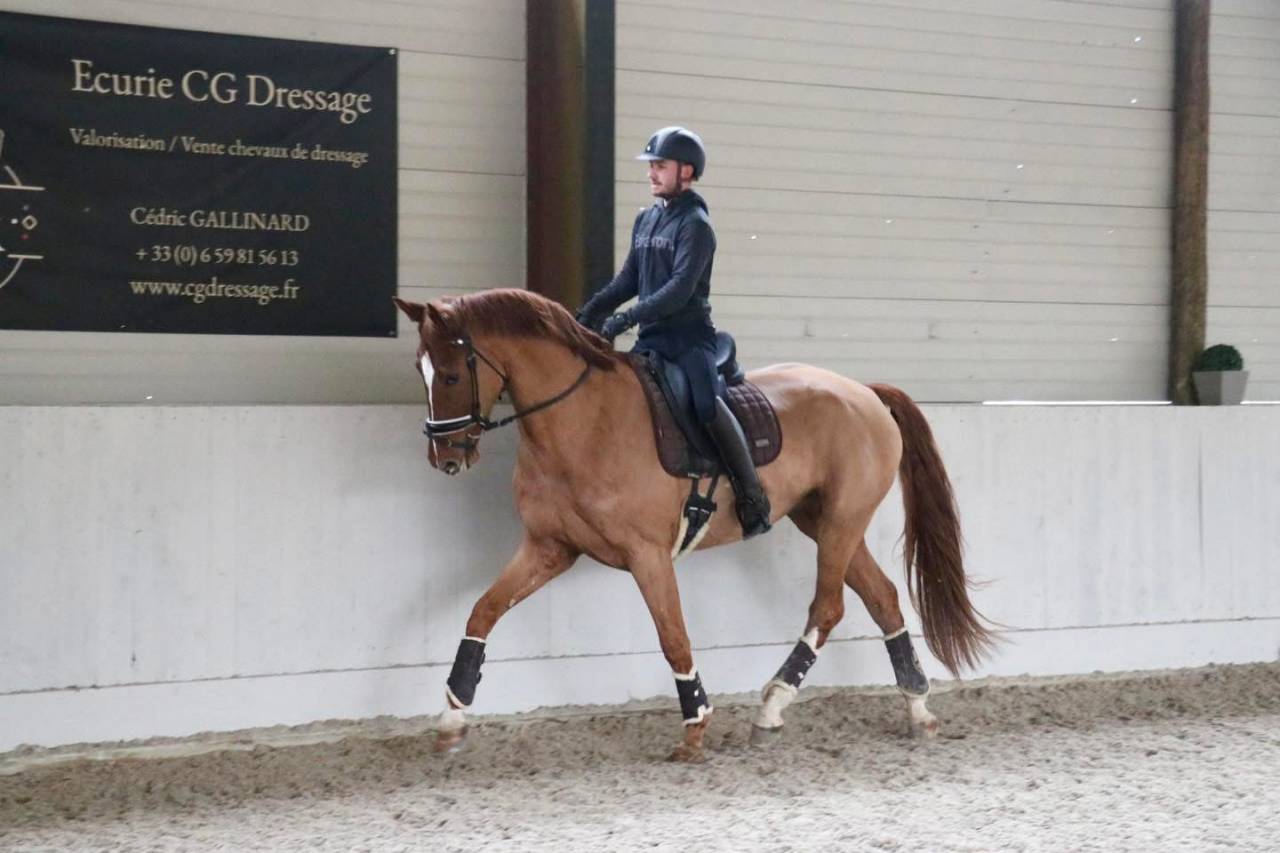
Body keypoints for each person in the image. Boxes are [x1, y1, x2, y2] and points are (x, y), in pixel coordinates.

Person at [576, 126, 771, 538]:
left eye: (659, 166)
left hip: (689, 340)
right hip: (652, 341)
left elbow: (679, 290)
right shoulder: (646, 220)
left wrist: (625, 320)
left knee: (704, 404)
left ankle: (752, 494)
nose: (651, 174)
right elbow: (629, 279)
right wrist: (590, 312)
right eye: (651, 166)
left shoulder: (696, 226)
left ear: (686, 171)